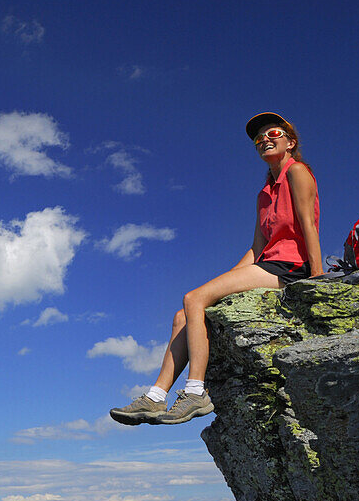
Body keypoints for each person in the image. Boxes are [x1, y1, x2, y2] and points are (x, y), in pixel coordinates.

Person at [109, 112, 322, 426]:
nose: (264, 140)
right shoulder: (264, 193)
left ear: (290, 142)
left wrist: (316, 278)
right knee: (183, 314)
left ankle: (196, 391)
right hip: (267, 263)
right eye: (257, 139)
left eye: (273, 133)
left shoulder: (298, 171)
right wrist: (227, 279)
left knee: (193, 298)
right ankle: (155, 397)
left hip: (291, 267)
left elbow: (308, 224)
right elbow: (256, 248)